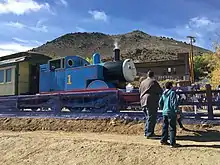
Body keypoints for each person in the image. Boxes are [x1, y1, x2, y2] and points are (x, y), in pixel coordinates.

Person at [139, 71, 163, 138]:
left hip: (143, 101)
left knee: (148, 117)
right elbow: (160, 91)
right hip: (151, 101)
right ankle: (149, 133)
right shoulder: (153, 82)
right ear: (153, 75)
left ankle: (147, 132)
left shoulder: (142, 82)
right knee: (151, 118)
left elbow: (140, 91)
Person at [159, 81, 180, 148]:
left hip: (164, 112)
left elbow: (160, 103)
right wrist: (177, 112)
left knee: (165, 126)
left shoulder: (163, 93)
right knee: (172, 127)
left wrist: (163, 108)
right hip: (171, 112)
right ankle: (172, 143)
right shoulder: (172, 93)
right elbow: (174, 103)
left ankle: (163, 140)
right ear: (171, 86)